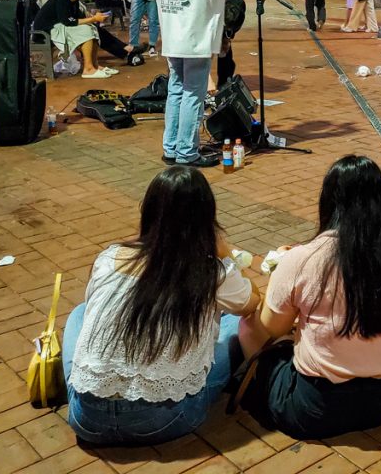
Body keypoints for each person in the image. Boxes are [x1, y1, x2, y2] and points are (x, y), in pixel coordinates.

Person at [62, 167, 260, 445]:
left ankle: (101, 381)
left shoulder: (109, 258)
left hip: (87, 419)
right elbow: (252, 303)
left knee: (79, 313)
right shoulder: (211, 271)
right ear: (206, 219)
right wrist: (226, 255)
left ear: (148, 211)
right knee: (235, 323)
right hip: (166, 419)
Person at [238, 156, 381, 439]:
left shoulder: (303, 259)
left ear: (329, 200)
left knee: (249, 327)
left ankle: (253, 383)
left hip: (316, 408)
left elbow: (271, 328)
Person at [139, 0, 257, 167]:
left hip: (171, 37)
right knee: (193, 93)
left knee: (176, 91)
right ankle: (187, 152)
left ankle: (171, 148)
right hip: (196, 39)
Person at [33, 0, 119, 79]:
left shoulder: (74, 0)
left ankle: (94, 66)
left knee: (92, 28)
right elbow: (69, 22)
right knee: (85, 30)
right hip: (45, 31)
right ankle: (88, 69)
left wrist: (95, 17)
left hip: (58, 27)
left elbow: (79, 18)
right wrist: (93, 18)